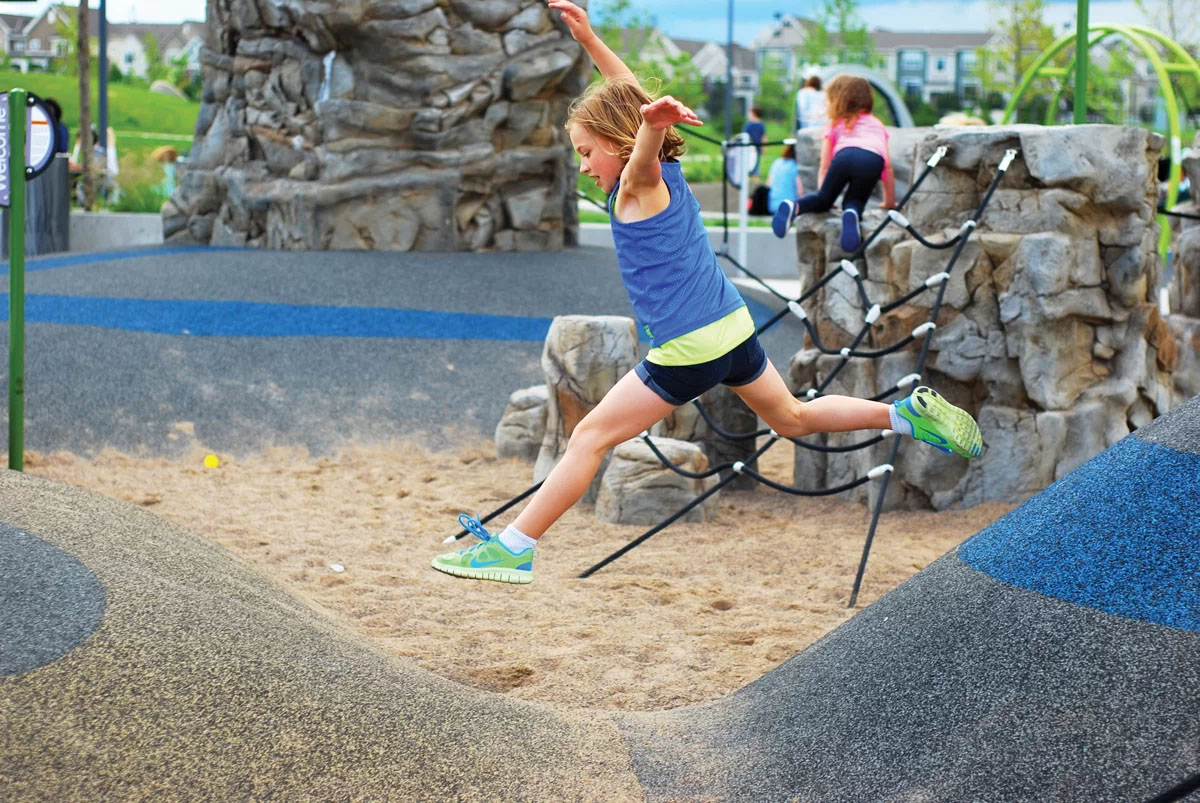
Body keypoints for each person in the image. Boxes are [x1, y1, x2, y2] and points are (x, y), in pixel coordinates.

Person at [430, 0, 982, 586]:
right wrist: (591, 42)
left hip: (690, 348)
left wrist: (650, 124)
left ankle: (514, 547)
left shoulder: (638, 185)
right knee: (792, 417)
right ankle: (905, 415)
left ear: (619, 142)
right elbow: (629, 99)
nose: (584, 166)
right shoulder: (666, 172)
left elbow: (638, 144)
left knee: (589, 436)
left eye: (587, 152)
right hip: (732, 327)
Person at [772, 74, 895, 253]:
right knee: (855, 200)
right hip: (872, 159)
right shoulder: (877, 124)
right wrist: (889, 201)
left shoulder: (836, 124)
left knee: (822, 199)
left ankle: (794, 206)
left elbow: (824, 165)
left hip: (844, 156)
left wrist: (825, 195)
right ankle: (851, 213)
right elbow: (888, 168)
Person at [766, 143, 801, 214]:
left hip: (773, 206)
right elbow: (800, 191)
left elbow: (768, 184)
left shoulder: (776, 163)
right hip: (790, 206)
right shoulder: (796, 166)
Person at [742, 105, 766, 177]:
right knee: (748, 163)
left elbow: (763, 136)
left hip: (756, 148)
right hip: (749, 148)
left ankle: (755, 179)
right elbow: (745, 136)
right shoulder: (750, 124)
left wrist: (764, 147)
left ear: (754, 113)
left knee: (756, 164)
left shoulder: (758, 125)